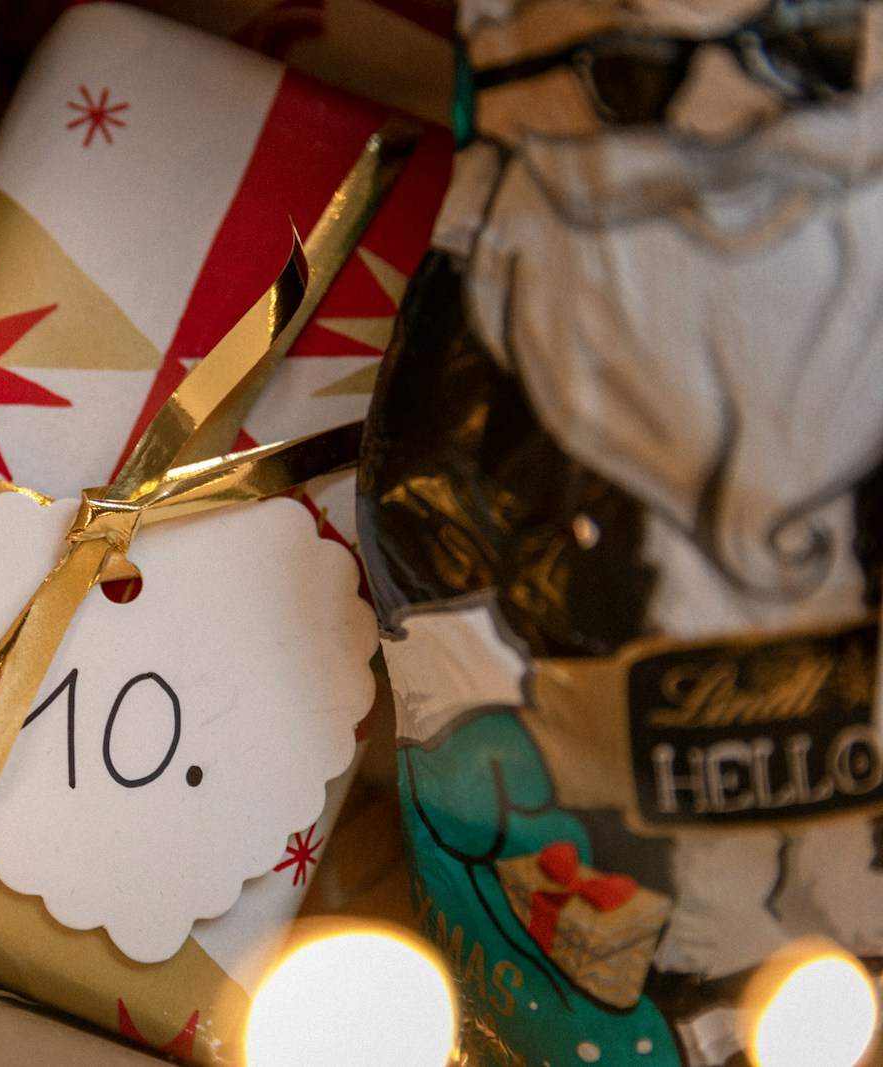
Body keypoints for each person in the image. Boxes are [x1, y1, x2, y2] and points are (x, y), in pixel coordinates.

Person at [359, 0, 883, 1061]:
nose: (724, 120)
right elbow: (430, 528)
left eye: (807, 58)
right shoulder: (514, 305)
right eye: (635, 77)